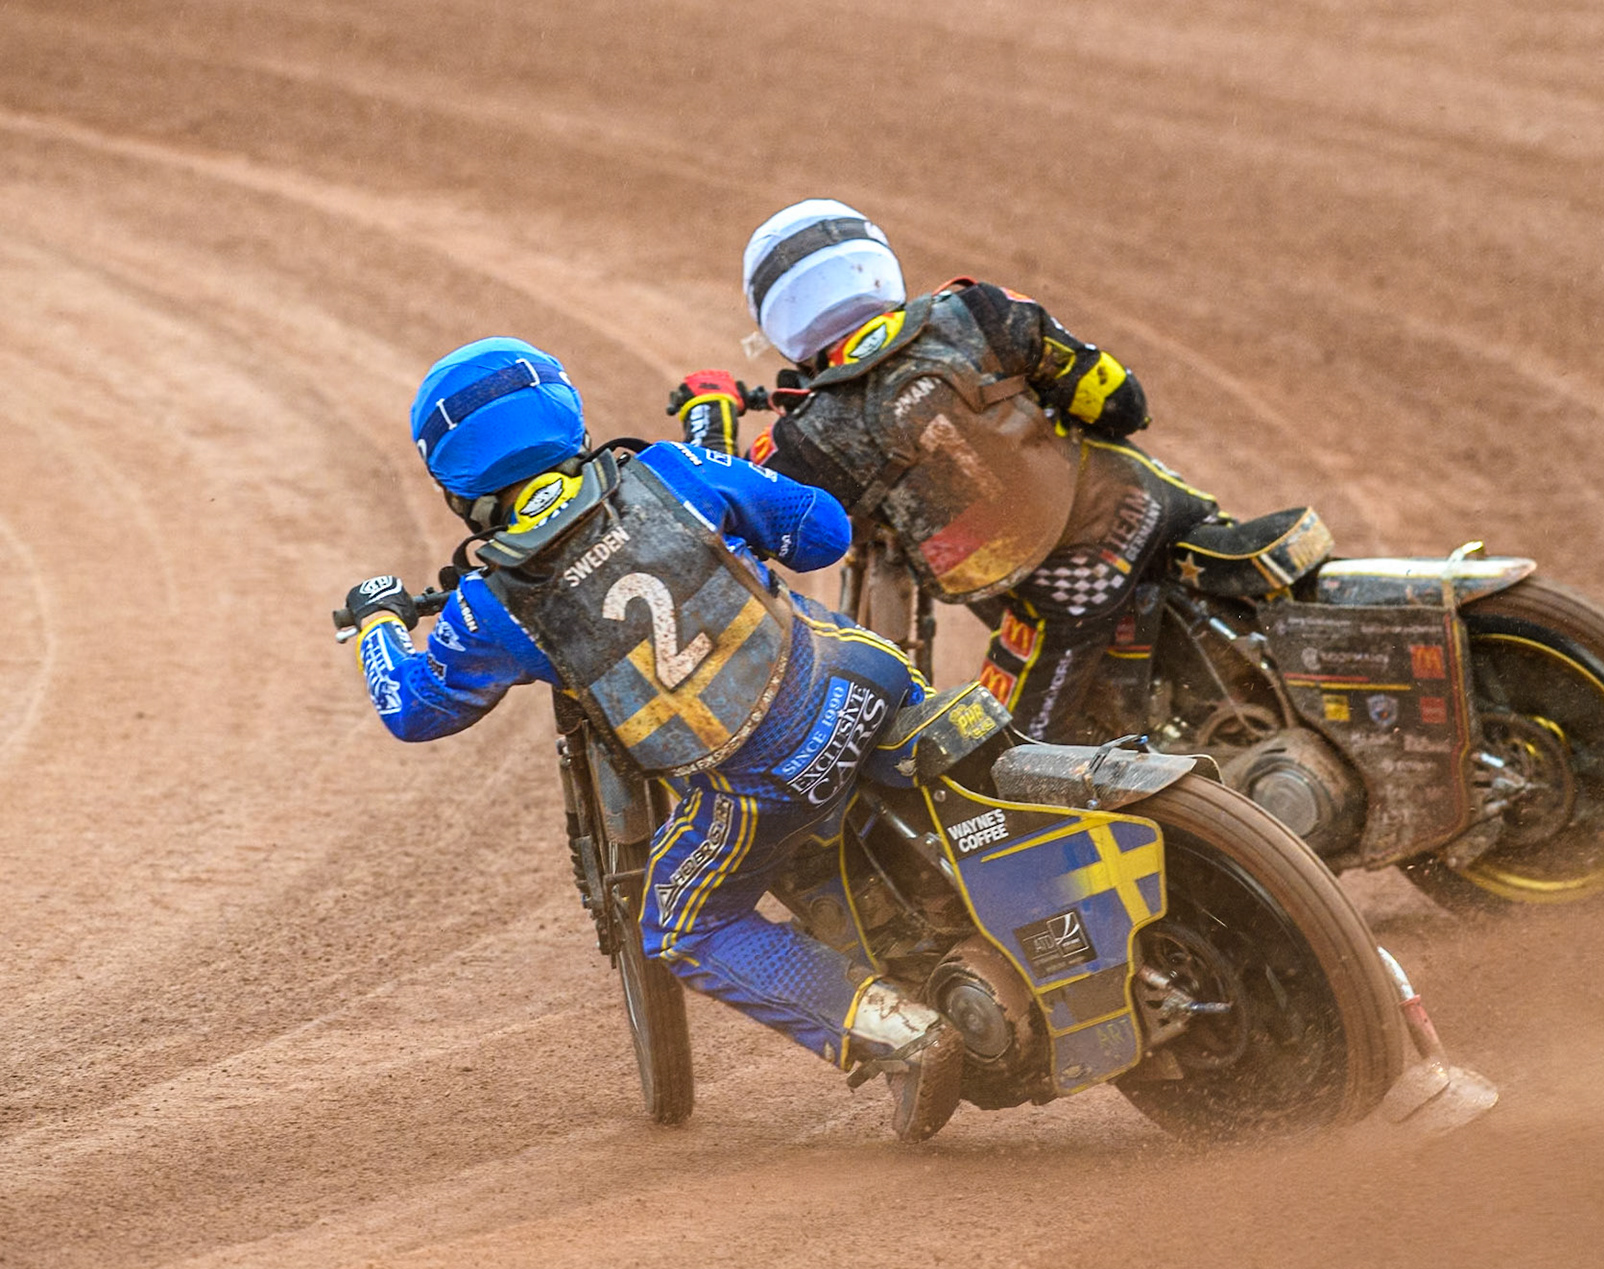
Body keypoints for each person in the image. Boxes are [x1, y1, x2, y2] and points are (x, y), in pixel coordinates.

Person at [341, 336, 965, 1141]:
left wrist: (379, 623)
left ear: (456, 482)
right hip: (869, 682)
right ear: (563, 413)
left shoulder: (495, 604)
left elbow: (415, 708)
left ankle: (901, 1032)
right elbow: (822, 534)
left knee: (680, 923)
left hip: (767, 780)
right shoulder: (670, 471)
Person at [671, 198, 1221, 745]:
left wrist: (710, 413)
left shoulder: (814, 437)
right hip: (1156, 505)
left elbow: (725, 517)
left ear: (780, 314)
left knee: (1003, 769)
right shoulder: (981, 310)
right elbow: (1123, 404)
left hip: (1069, 597)